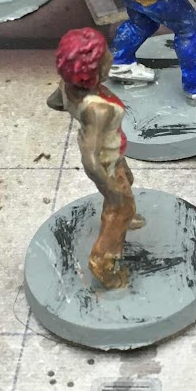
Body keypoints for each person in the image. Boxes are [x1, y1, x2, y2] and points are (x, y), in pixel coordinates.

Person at [46, 29, 145, 290]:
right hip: (106, 162)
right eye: (106, 55)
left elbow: (53, 102)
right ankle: (103, 262)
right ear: (95, 69)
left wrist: (73, 109)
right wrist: (110, 191)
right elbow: (90, 160)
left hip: (115, 153)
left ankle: (126, 214)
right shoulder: (98, 109)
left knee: (128, 181)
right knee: (119, 207)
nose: (111, 57)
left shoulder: (67, 86)